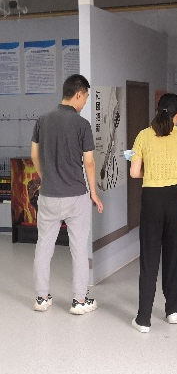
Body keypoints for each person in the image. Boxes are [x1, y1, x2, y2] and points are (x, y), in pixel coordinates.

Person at [129, 93, 177, 333]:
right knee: (175, 253)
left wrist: (152, 173)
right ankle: (173, 311)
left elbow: (134, 173)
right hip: (176, 197)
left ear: (158, 110)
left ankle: (143, 319)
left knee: (149, 257)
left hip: (151, 198)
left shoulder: (143, 135)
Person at [31, 74, 104, 315]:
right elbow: (89, 163)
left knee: (44, 246)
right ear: (78, 94)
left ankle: (41, 298)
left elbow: (34, 155)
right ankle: (79, 301)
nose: (85, 103)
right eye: (86, 97)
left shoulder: (42, 120)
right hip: (75, 196)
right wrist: (94, 193)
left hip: (49, 195)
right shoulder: (82, 125)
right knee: (79, 249)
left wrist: (45, 177)